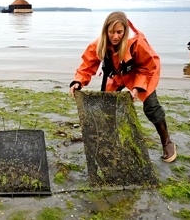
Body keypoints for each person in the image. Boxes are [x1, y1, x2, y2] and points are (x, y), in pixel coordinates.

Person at [69, 11, 177, 163]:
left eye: (119, 32)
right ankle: (108, 140)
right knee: (106, 104)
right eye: (111, 32)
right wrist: (77, 81)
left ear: (125, 31)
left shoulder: (137, 43)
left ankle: (167, 142)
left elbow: (148, 67)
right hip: (119, 74)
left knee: (151, 107)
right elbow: (87, 65)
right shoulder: (100, 43)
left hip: (143, 73)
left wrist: (138, 87)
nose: (115, 36)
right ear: (106, 31)